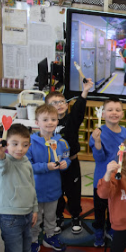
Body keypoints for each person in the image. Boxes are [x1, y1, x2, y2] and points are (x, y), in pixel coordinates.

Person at [0, 125, 44, 252]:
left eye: (24, 145)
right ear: (6, 144)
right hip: (10, 218)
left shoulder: (26, 162)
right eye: (14, 144)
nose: (19, 149)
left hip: (27, 214)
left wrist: (35, 209)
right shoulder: (4, 162)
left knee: (25, 251)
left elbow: (32, 187)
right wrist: (0, 154)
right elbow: (1, 165)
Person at [26, 104, 70, 252]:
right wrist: (46, 166)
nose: (50, 122)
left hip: (53, 188)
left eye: (53, 119)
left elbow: (66, 158)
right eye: (45, 119)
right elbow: (27, 166)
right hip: (36, 189)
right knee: (35, 218)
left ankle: (49, 236)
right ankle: (32, 240)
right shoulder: (29, 143)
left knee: (51, 215)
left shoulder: (61, 142)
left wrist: (65, 164)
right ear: (37, 122)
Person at [50, 77, 92, 234]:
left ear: (67, 105)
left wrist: (85, 91)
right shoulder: (48, 123)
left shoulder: (71, 121)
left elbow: (78, 112)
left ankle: (75, 216)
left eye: (61, 101)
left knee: (74, 192)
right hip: (54, 166)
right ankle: (58, 216)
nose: (59, 105)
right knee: (57, 192)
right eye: (54, 103)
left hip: (72, 164)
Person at [90, 97, 126, 247]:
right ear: (103, 114)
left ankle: (111, 229)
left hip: (119, 179)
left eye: (118, 110)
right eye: (110, 110)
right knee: (100, 209)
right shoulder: (97, 134)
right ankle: (99, 230)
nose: (114, 113)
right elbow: (98, 158)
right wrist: (98, 142)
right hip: (101, 180)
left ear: (122, 113)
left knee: (115, 208)